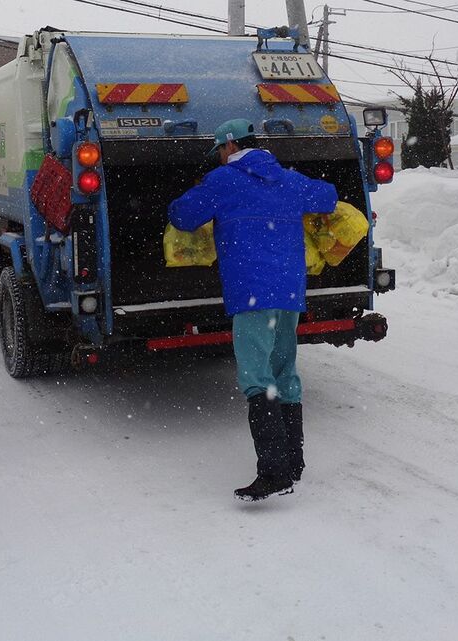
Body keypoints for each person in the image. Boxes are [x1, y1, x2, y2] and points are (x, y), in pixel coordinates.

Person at [168, 118, 337, 501]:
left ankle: (274, 471)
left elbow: (180, 215)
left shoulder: (223, 181)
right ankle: (293, 462)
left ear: (228, 147)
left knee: (258, 379)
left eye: (219, 152)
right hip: (289, 292)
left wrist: (200, 196)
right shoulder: (288, 180)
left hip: (250, 295)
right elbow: (327, 196)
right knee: (284, 371)